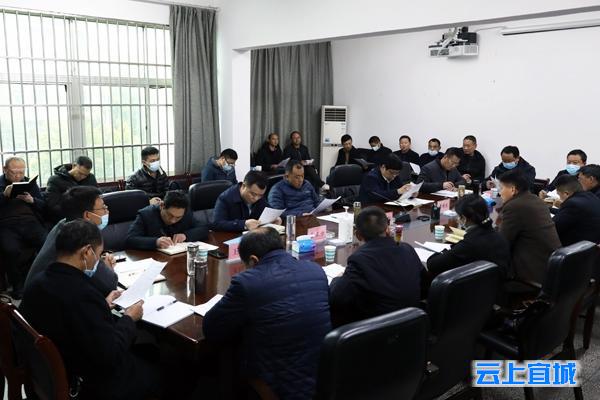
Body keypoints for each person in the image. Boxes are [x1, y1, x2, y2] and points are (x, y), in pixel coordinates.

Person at [19, 219, 161, 400]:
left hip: (50, 373)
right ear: (86, 252)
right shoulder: (82, 293)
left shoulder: (37, 283)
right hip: (87, 382)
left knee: (148, 351)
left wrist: (102, 305)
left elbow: (70, 317)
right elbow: (110, 355)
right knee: (166, 368)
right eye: (99, 254)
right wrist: (129, 318)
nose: (98, 260)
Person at [203, 227, 330, 400]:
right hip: (322, 377)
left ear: (253, 260)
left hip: (277, 386)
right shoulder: (315, 269)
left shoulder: (247, 283)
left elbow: (211, 329)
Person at [330, 207, 424, 326]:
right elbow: (425, 285)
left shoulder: (359, 260)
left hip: (378, 329)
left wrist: (338, 279)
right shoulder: (406, 249)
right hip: (414, 324)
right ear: (387, 229)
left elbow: (336, 297)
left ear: (358, 235)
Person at [25, 186, 118, 296]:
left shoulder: (64, 224)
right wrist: (107, 268)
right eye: (103, 208)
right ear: (87, 215)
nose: (107, 211)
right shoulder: (80, 236)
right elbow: (109, 284)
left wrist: (99, 260)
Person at [497, 170, 560, 286]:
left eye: (501, 188)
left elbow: (502, 242)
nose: (499, 192)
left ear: (513, 189)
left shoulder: (515, 206)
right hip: (549, 267)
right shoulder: (535, 199)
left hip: (530, 275)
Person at [426, 194, 510, 279]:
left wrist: (444, 251)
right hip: (496, 283)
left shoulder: (469, 243)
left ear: (464, 219)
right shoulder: (498, 235)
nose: (457, 220)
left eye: (459, 216)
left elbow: (432, 264)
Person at [0, 156, 47, 299]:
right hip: (6, 224)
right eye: (14, 172)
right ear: (5, 169)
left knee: (47, 243)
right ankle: (17, 285)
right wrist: (4, 195)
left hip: (29, 221)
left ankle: (43, 280)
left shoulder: (29, 183)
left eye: (21, 172)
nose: (18, 176)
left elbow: (44, 206)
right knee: (10, 250)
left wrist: (32, 201)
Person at [126, 190, 209, 250]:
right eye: (170, 215)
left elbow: (204, 228)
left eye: (178, 217)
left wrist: (185, 235)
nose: (173, 220)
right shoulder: (146, 214)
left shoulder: (185, 213)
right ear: (162, 206)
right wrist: (156, 242)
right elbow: (130, 239)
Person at [213, 171, 281, 232]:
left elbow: (268, 210)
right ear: (243, 186)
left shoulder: (259, 197)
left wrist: (274, 217)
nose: (256, 198)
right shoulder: (225, 198)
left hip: (253, 236)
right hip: (231, 237)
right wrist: (244, 224)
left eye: (260, 195)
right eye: (253, 194)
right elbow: (217, 224)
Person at [45, 155, 98, 221]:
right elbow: (53, 205)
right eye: (80, 173)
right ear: (74, 166)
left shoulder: (90, 178)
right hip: (66, 218)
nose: (82, 177)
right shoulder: (55, 180)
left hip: (89, 216)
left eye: (85, 175)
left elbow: (97, 198)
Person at [552, 175, 600, 246]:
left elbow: (552, 228)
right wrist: (548, 209)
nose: (559, 198)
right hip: (592, 244)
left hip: (576, 248)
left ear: (566, 193)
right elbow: (567, 214)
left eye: (559, 195)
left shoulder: (572, 203)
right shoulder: (590, 196)